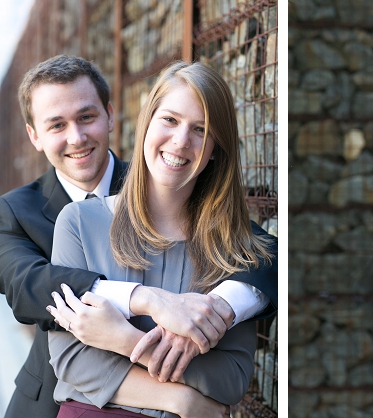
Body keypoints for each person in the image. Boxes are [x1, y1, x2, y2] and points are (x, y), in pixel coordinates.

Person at [0, 55, 276, 418]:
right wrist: (149, 302)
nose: (77, 137)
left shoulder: (166, 172)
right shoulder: (18, 211)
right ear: (34, 135)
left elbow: (259, 253)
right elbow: (30, 287)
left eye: (86, 117)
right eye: (56, 125)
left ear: (111, 116)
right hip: (52, 398)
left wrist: (221, 306)